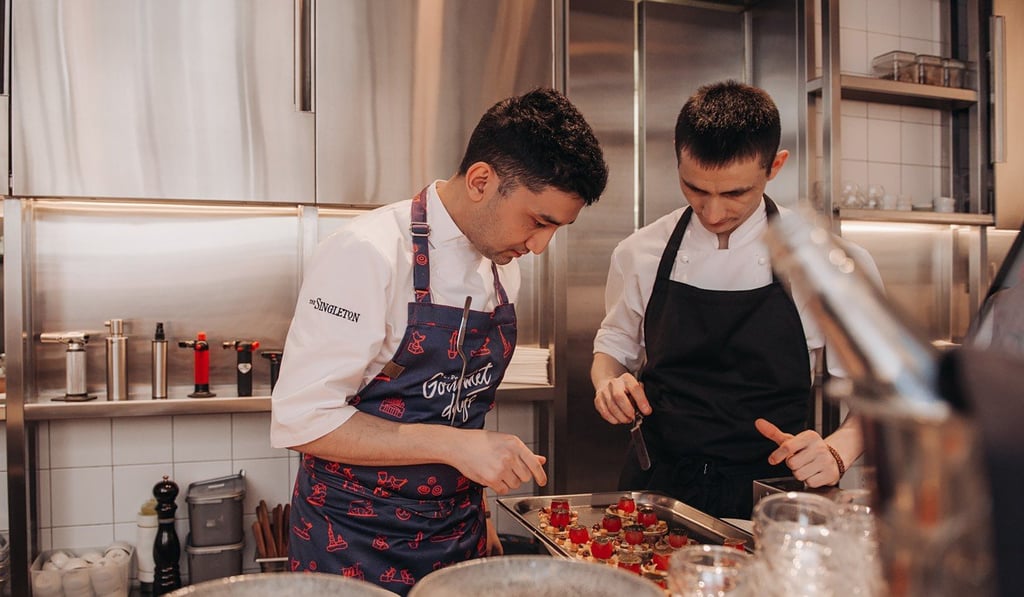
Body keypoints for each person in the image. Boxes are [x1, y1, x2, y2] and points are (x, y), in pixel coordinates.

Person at [270, 88, 608, 594]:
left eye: (557, 229)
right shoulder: (367, 254)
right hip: (350, 540)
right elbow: (303, 420)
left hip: (457, 537)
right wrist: (456, 446)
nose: (540, 246)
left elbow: (458, 407)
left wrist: (482, 517)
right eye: (538, 222)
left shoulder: (500, 269)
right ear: (480, 181)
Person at [591, 80, 880, 519]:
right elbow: (612, 347)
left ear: (775, 166)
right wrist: (607, 383)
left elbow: (882, 394)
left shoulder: (827, 265)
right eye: (695, 189)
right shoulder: (640, 252)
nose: (712, 212)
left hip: (772, 495)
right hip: (658, 489)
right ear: (677, 154)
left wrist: (839, 451)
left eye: (734, 193)